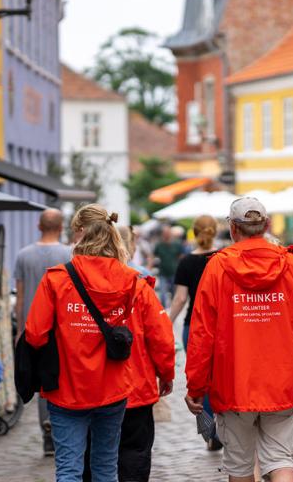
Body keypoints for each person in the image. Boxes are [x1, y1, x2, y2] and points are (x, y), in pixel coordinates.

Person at [185, 197, 293, 482]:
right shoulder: (292, 266)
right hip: (283, 382)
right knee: (282, 460)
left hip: (234, 383)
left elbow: (202, 334)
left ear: (233, 228)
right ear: (266, 225)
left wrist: (196, 385)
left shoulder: (217, 269)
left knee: (241, 467)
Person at [25, 204, 175, 482]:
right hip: (113, 387)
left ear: (78, 234)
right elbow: (158, 332)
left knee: (69, 469)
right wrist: (166, 373)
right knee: (106, 468)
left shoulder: (57, 279)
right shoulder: (132, 281)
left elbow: (35, 334)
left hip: (68, 388)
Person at [83, 224, 175, 482]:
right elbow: (161, 337)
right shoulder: (138, 286)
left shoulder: (73, 284)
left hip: (90, 387)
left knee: (93, 456)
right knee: (133, 453)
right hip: (135, 387)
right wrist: (166, 374)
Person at [14, 207, 72, 456]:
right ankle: (62, 428)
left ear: (39, 226)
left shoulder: (23, 255)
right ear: (61, 227)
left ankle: (47, 431)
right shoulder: (69, 253)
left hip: (33, 328)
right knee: (61, 377)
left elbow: (20, 296)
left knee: (40, 380)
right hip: (63, 328)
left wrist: (19, 329)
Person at [168, 215, 221, 451]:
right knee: (222, 376)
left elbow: (180, 298)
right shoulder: (223, 259)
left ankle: (211, 432)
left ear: (194, 231)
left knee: (202, 377)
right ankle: (227, 426)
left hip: (195, 327)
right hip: (222, 326)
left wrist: (167, 322)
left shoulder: (187, 261)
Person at [153, 223, 184, 306]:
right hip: (163, 271)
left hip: (174, 271)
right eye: (164, 233)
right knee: (162, 293)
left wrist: (182, 268)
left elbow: (181, 257)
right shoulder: (159, 245)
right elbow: (153, 256)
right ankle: (164, 310)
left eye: (167, 232)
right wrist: (150, 266)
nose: (166, 234)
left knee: (174, 291)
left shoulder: (177, 244)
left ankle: (173, 305)